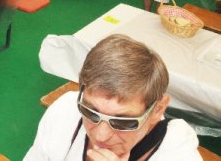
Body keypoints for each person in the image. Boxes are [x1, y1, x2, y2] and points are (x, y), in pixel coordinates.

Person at [25, 34, 201, 160]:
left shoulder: (176, 152)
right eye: (90, 112)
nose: (100, 136)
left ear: (157, 110)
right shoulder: (65, 110)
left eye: (123, 122)